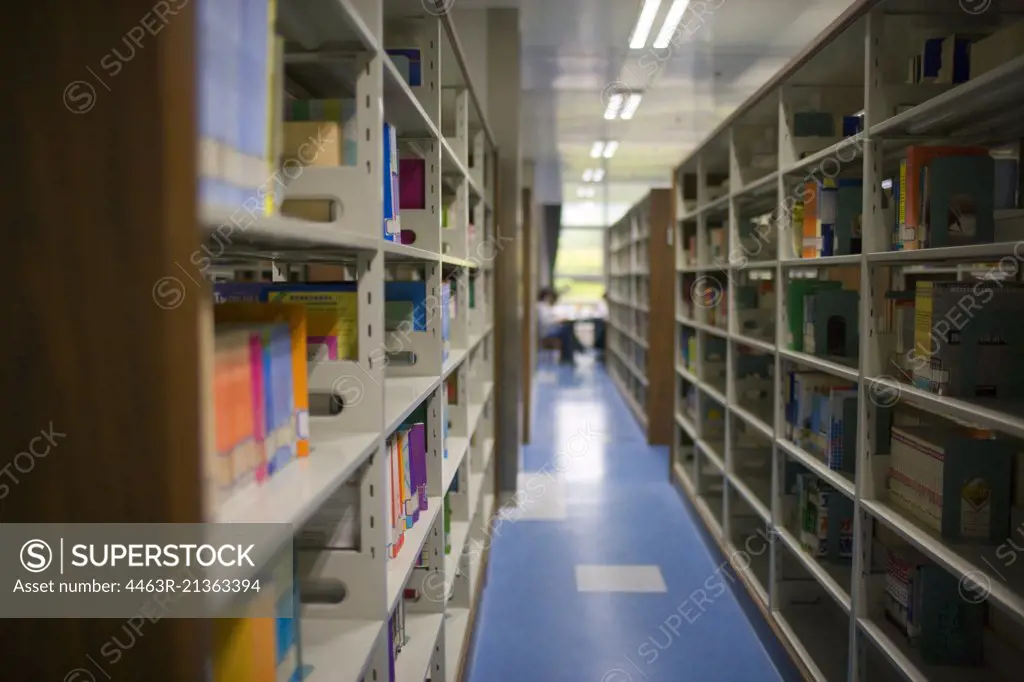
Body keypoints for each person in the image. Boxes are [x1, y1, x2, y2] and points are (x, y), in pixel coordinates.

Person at [537, 287, 584, 364]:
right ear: (547, 297)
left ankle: (575, 350)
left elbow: (551, 317)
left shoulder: (545, 307)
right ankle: (575, 350)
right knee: (566, 330)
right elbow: (546, 322)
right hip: (546, 332)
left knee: (568, 328)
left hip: (550, 329)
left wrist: (558, 319)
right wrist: (558, 320)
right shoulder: (541, 307)